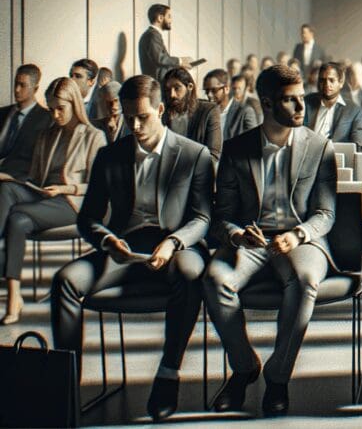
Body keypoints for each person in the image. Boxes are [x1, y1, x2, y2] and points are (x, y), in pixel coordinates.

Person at [52, 74, 213, 421]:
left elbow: (202, 218)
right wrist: (108, 241)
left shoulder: (193, 154)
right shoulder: (110, 155)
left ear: (160, 110)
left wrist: (172, 243)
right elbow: (89, 219)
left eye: (143, 117)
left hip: (176, 243)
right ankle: (64, 390)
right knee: (65, 280)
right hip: (123, 246)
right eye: (129, 118)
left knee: (191, 272)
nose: (135, 126)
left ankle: (169, 373)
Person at [204, 65, 338, 417]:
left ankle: (278, 378)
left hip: (302, 240)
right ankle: (245, 366)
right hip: (252, 240)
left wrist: (297, 235)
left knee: (306, 281)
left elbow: (326, 214)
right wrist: (236, 234)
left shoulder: (320, 146)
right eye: (289, 100)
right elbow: (223, 216)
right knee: (215, 279)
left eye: (300, 98)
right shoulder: (237, 149)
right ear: (266, 102)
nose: (300, 106)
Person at [0, 77, 106, 324]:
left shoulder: (94, 136)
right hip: (42, 194)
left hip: (71, 202)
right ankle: (13, 295)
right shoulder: (46, 135)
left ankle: (13, 296)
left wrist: (65, 188)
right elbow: (35, 177)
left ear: (75, 104)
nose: (56, 114)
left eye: (61, 108)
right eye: (51, 109)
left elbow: (100, 187)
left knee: (18, 219)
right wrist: (13, 178)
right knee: (5, 190)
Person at [0, 65, 53, 181]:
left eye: (22, 85)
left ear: (35, 89)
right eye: (16, 84)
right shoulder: (3, 113)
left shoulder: (47, 119)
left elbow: (39, 162)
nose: (17, 90)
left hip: (18, 179)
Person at [163, 68, 223, 162]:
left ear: (190, 87)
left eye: (177, 88)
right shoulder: (163, 114)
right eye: (167, 90)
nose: (172, 94)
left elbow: (213, 155)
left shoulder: (209, 111)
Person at [304, 62, 362, 149]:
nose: (327, 84)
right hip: (308, 156)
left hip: (337, 159)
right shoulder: (306, 102)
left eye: (331, 80)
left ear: (341, 82)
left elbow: (360, 145)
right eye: (323, 80)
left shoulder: (354, 111)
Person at [139, 4, 193, 82]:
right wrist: (180, 61)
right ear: (160, 18)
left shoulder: (152, 34)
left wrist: (180, 66)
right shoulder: (152, 35)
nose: (171, 20)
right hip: (157, 84)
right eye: (169, 16)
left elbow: (160, 62)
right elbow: (159, 59)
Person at [205, 69, 260, 142]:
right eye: (207, 91)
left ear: (227, 89)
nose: (209, 95)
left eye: (214, 90)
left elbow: (254, 141)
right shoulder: (207, 112)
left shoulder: (245, 111)